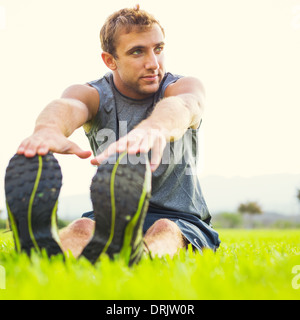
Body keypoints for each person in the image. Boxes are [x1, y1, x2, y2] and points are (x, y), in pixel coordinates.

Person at [4, 5, 220, 265]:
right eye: (137, 52)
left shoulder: (181, 87)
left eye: (158, 49)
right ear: (110, 60)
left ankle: (142, 257)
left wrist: (156, 127)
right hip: (111, 215)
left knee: (165, 229)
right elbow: (69, 105)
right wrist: (48, 128)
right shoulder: (95, 94)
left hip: (181, 218)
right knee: (83, 226)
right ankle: (47, 252)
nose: (153, 63)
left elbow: (186, 106)